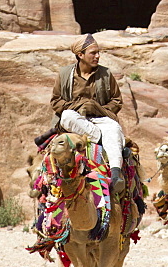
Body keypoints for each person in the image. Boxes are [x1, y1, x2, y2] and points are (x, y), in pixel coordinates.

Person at [50, 33, 126, 193]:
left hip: (101, 119)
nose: (97, 56)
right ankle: (101, 139)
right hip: (76, 121)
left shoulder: (106, 74)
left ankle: (116, 174)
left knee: (113, 128)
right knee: (67, 116)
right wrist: (79, 105)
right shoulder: (65, 74)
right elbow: (55, 102)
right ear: (80, 55)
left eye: (98, 52)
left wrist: (95, 107)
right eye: (93, 53)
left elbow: (116, 101)